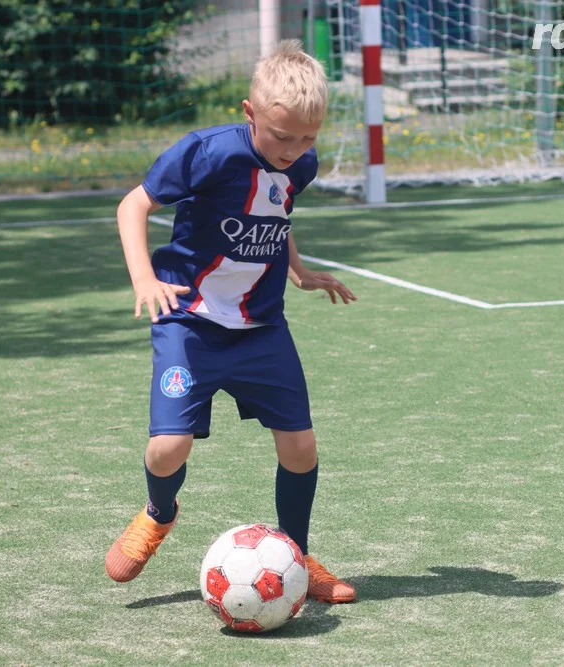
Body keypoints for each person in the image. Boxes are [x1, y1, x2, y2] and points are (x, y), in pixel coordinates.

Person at [105, 39, 358, 604]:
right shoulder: (207, 152)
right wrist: (144, 279)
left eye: (308, 138)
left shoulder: (303, 163)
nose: (295, 149)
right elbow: (133, 205)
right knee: (167, 450)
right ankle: (158, 513)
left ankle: (294, 556)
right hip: (188, 323)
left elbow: (276, 210)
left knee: (301, 448)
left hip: (263, 328)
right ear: (249, 113)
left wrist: (296, 269)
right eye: (282, 135)